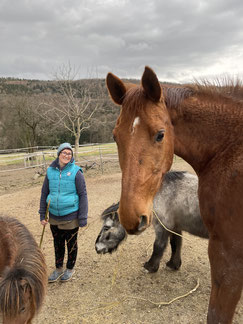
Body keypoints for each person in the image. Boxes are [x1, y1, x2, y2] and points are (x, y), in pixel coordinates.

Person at [39, 142, 88, 283]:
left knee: (71, 244)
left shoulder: (76, 172)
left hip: (71, 216)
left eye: (69, 153)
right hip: (54, 216)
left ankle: (70, 268)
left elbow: (83, 195)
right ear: (59, 154)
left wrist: (82, 217)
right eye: (64, 153)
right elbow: (44, 193)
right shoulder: (50, 171)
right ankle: (58, 268)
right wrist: (43, 215)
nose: (66, 155)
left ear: (71, 156)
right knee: (57, 244)